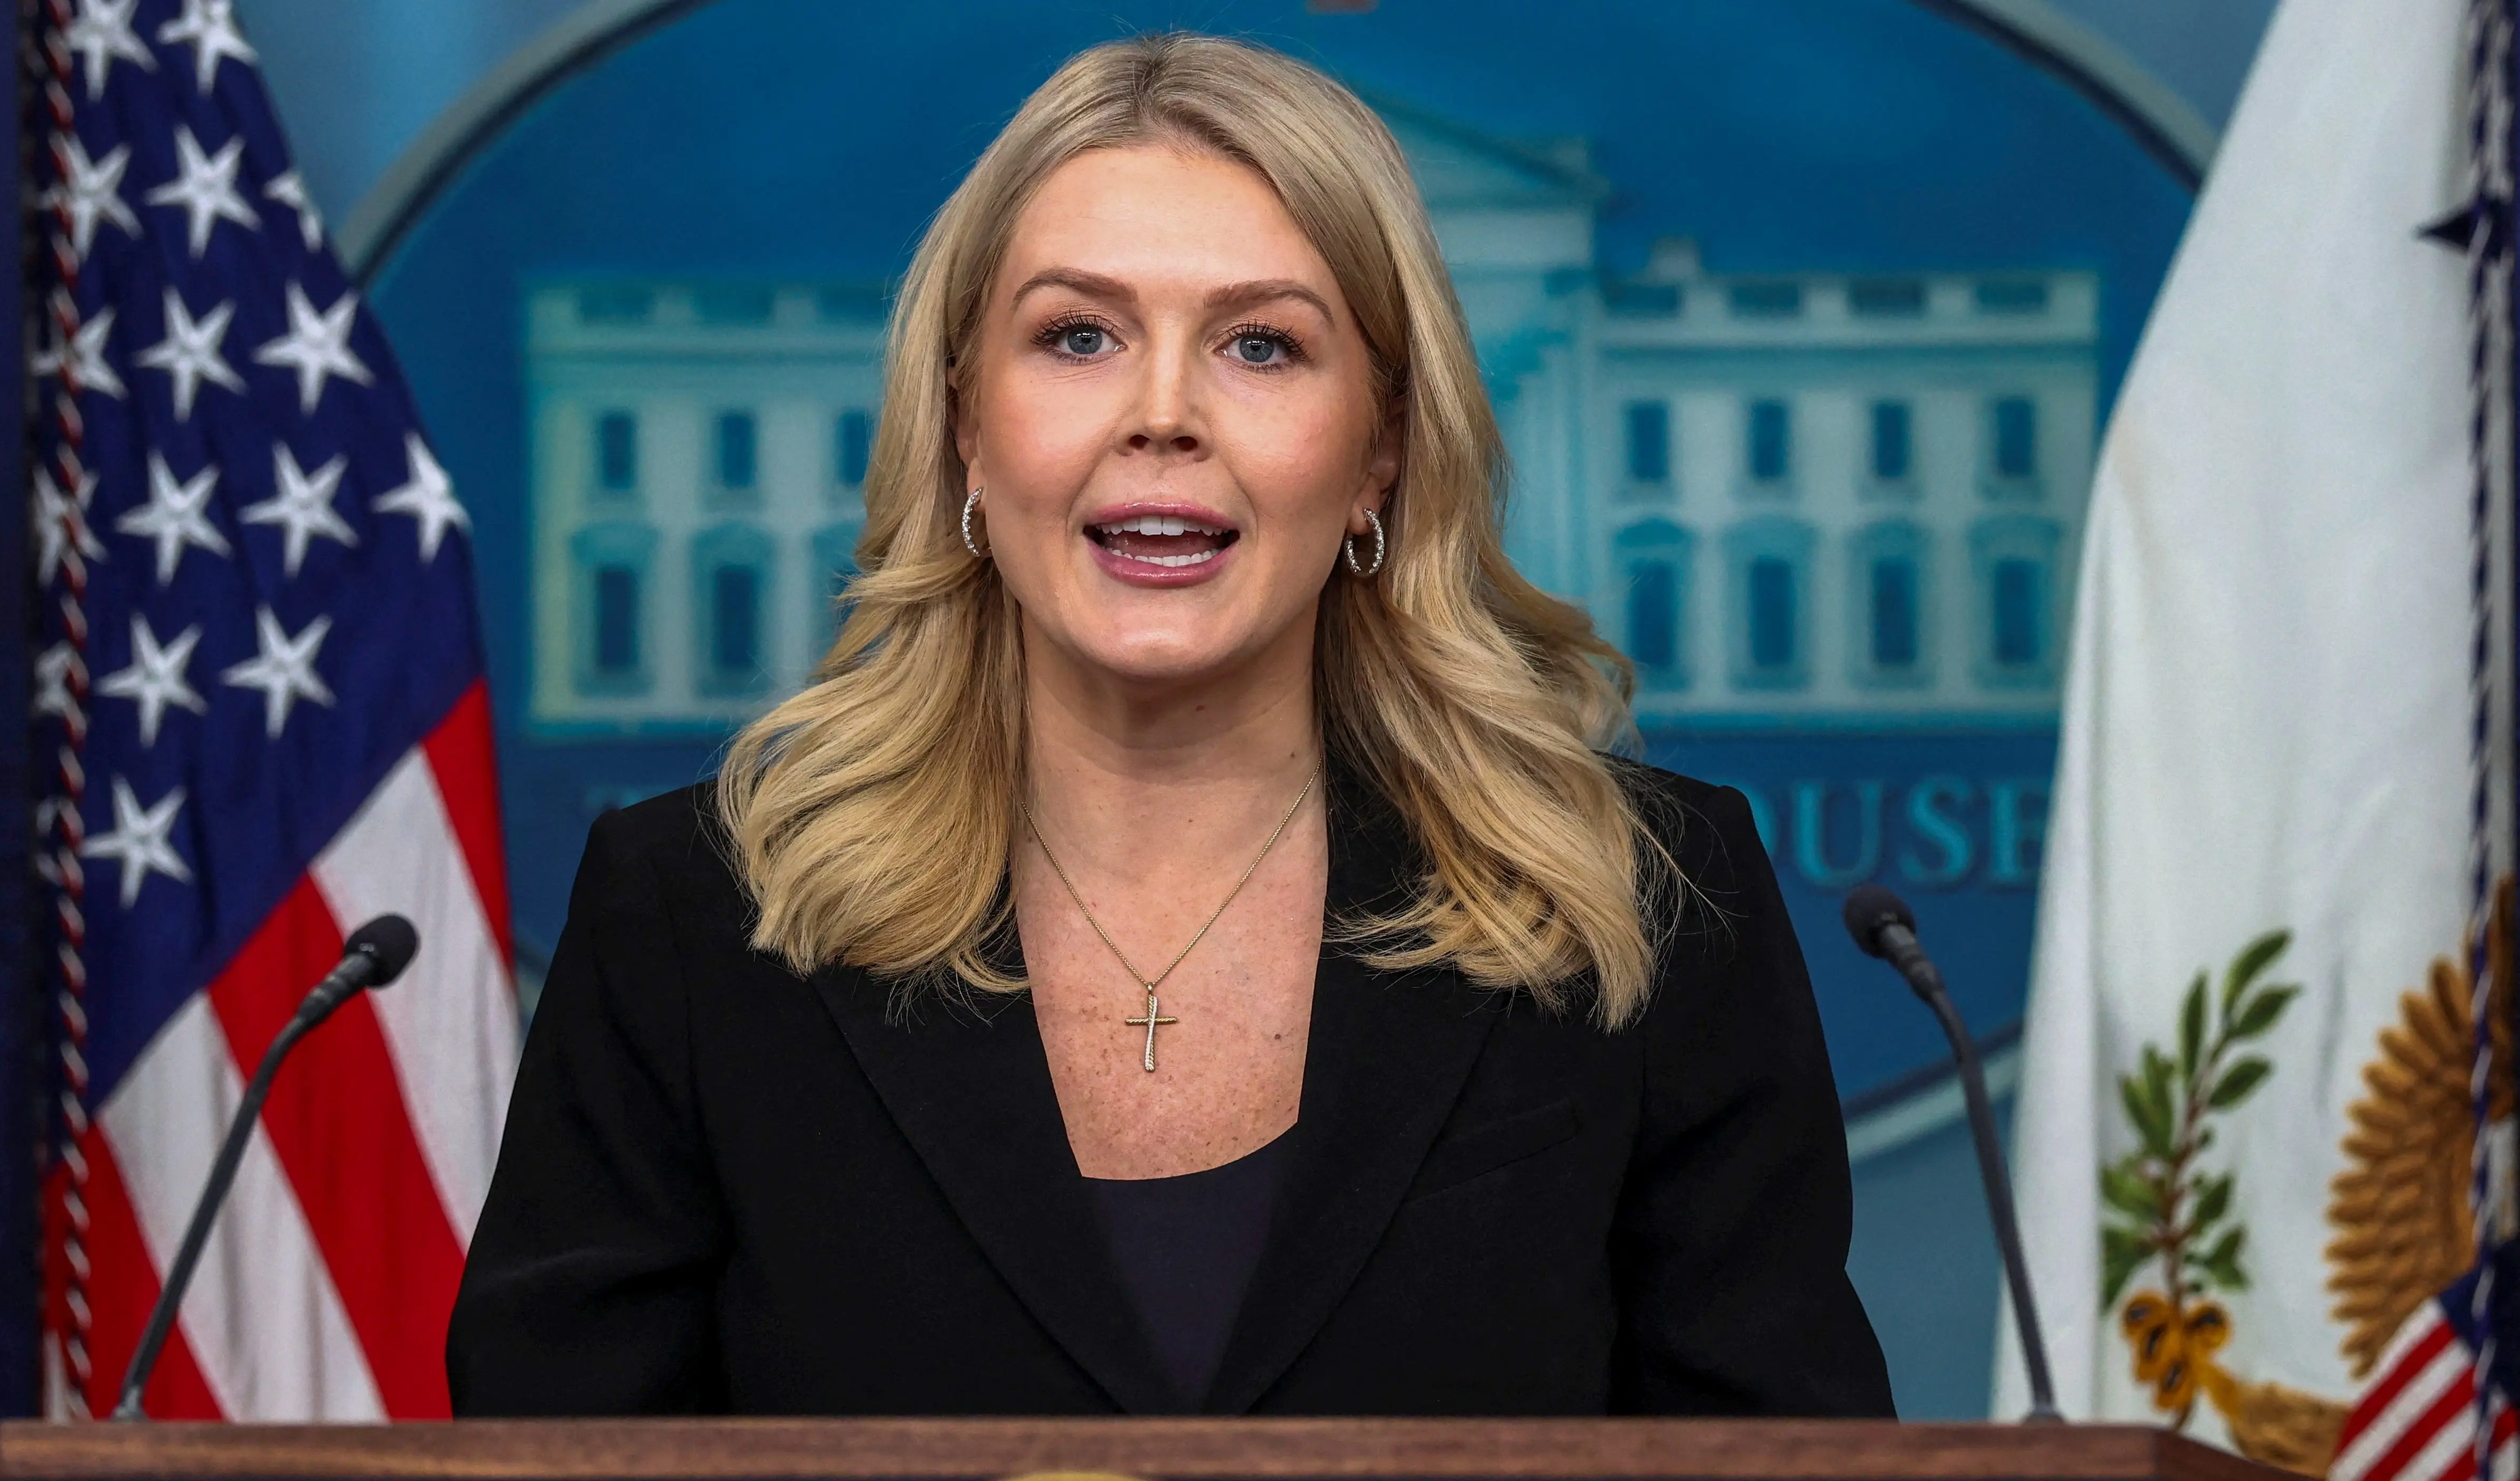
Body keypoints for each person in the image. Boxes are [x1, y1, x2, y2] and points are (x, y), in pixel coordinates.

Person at [447, 32, 1892, 1418]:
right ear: (966, 426)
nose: (1163, 413)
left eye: (1261, 346)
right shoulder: (697, 917)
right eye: (1078, 336)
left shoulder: (1642, 899)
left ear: (1383, 452)